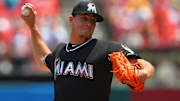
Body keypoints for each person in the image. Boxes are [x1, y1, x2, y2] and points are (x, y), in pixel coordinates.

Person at [21, 1, 155, 101]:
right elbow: (42, 59)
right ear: (71, 20)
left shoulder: (106, 49)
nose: (89, 23)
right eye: (84, 18)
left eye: (93, 20)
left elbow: (146, 65)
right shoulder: (60, 50)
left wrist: (142, 74)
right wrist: (33, 27)